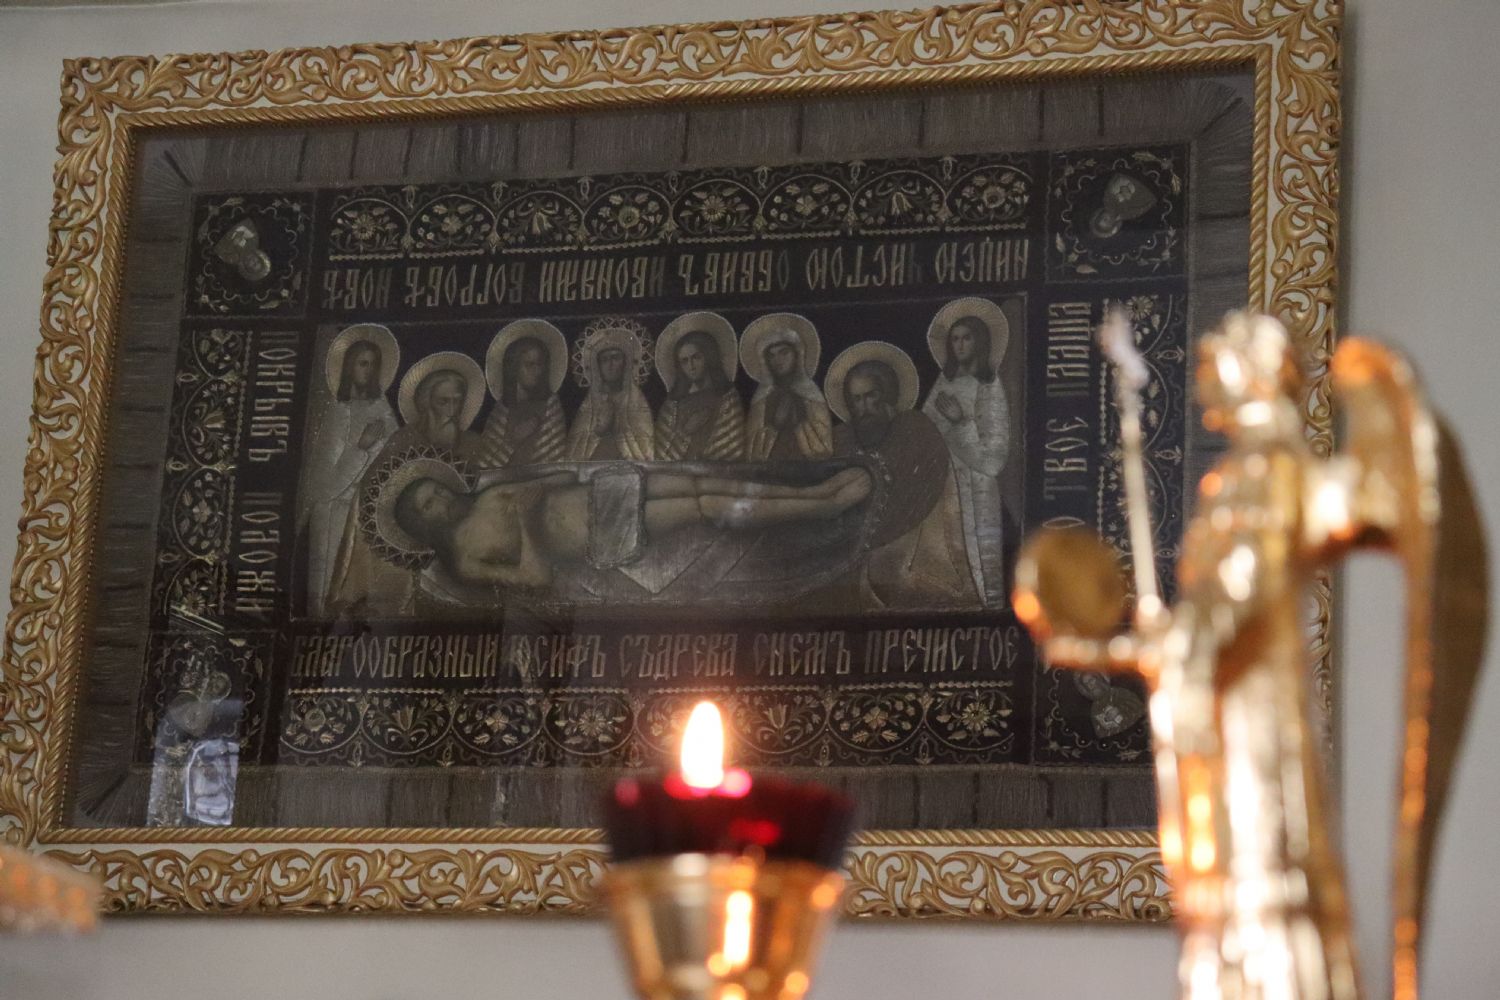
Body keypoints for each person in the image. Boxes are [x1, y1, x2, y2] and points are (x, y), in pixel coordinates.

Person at [390, 464, 873, 591]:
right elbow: (535, 579)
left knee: (703, 483)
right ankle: (817, 509)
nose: (440, 500)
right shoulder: (464, 560)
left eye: (436, 491)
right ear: (422, 527)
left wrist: (536, 491)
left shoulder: (485, 496)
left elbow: (557, 481)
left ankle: (813, 491)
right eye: (428, 506)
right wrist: (527, 525)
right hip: (601, 533)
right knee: (704, 505)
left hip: (600, 492)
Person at [827, 343, 976, 608]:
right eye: (856, 399)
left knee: (893, 578)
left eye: (871, 396)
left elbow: (921, 489)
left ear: (887, 393)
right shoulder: (842, 437)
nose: (864, 406)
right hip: (854, 541)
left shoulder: (915, 428)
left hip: (910, 534)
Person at [301, 326, 398, 615]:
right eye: (362, 363)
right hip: (337, 515)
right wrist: (361, 448)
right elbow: (322, 486)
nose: (369, 371)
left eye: (374, 365)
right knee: (328, 599)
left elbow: (395, 461)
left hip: (372, 514)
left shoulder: (384, 411)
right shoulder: (339, 412)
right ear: (348, 368)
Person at [921, 301, 1011, 605]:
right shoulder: (943, 384)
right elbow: (927, 431)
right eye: (955, 339)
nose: (959, 345)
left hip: (976, 489)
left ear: (980, 341)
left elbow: (993, 460)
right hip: (941, 488)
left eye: (966, 338)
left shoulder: (990, 386)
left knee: (979, 563)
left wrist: (961, 423)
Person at [742, 314, 833, 461]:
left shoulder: (811, 396)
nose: (778, 360)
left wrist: (800, 427)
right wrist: (774, 427)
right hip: (769, 469)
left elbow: (824, 446)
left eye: (784, 352)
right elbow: (753, 451)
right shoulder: (761, 400)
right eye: (771, 355)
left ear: (797, 355)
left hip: (809, 467)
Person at [654, 314, 745, 461]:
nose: (691, 366)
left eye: (696, 357)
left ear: (709, 357)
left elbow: (733, 449)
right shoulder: (672, 405)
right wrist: (687, 431)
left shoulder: (728, 399)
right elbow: (662, 457)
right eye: (684, 361)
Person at [477, 322, 567, 469]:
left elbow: (555, 462)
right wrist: (514, 440)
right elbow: (484, 466)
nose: (538, 372)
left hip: (540, 479)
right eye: (530, 365)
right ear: (514, 368)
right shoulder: (502, 410)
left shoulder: (551, 404)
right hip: (503, 481)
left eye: (540, 364)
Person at [566, 320, 655, 461]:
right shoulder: (590, 404)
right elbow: (575, 453)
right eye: (604, 360)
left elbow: (644, 450)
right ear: (597, 366)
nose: (610, 364)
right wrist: (599, 430)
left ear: (626, 362)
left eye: (616, 358)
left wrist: (619, 427)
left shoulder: (636, 401)